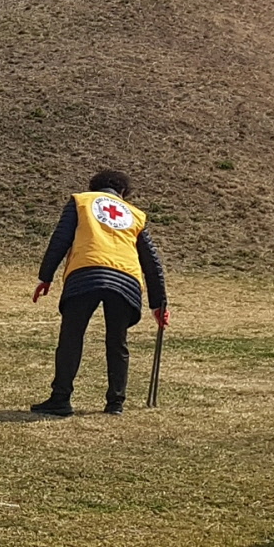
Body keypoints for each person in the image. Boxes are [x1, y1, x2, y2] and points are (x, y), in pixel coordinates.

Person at [30, 168, 168, 416]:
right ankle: (115, 403)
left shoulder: (81, 201)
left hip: (85, 273)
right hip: (126, 278)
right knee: (117, 341)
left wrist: (45, 276)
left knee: (71, 337)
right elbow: (152, 262)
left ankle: (60, 399)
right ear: (123, 192)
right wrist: (159, 304)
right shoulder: (135, 214)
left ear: (93, 187)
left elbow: (60, 239)